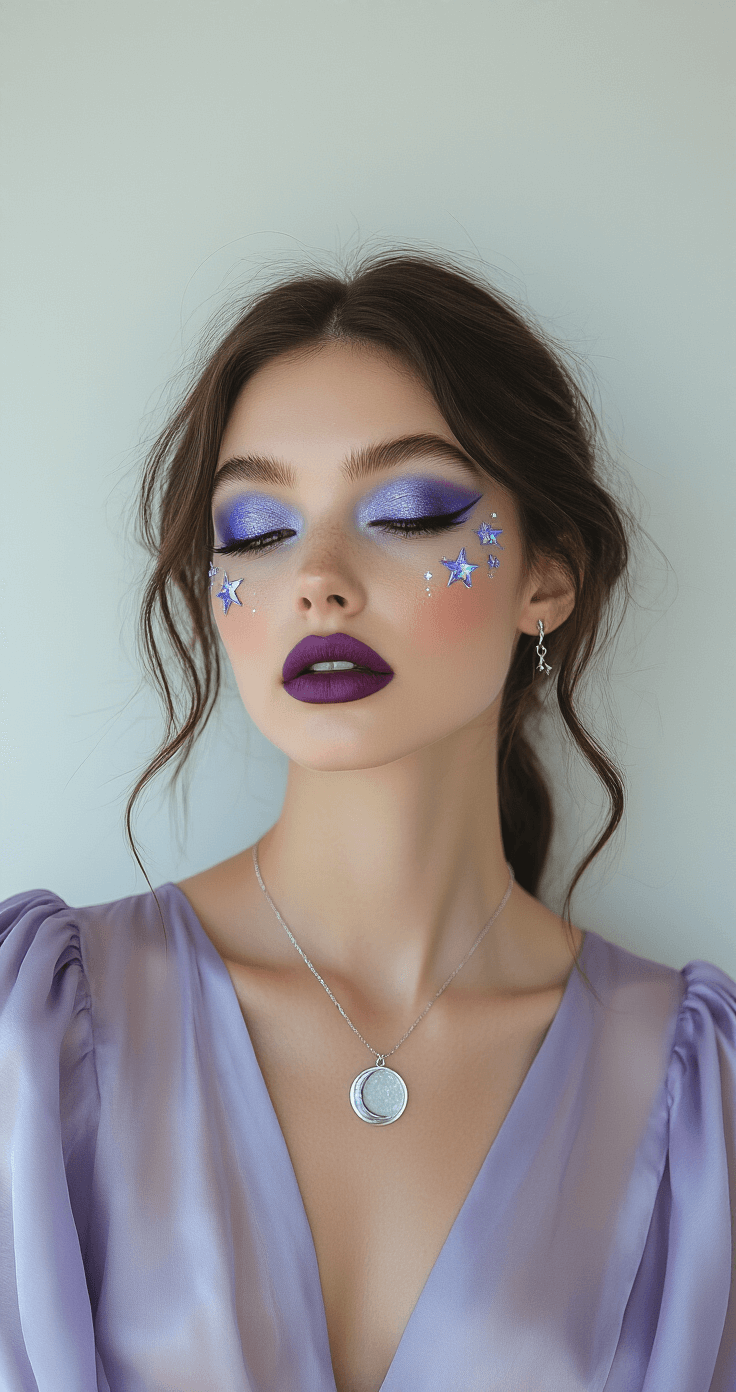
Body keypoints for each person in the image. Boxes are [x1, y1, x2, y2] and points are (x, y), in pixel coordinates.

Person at [1, 250, 734, 1392]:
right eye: (255, 530)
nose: (320, 580)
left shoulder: (696, 1101)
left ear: (548, 576)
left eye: (408, 512)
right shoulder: (36, 1036)